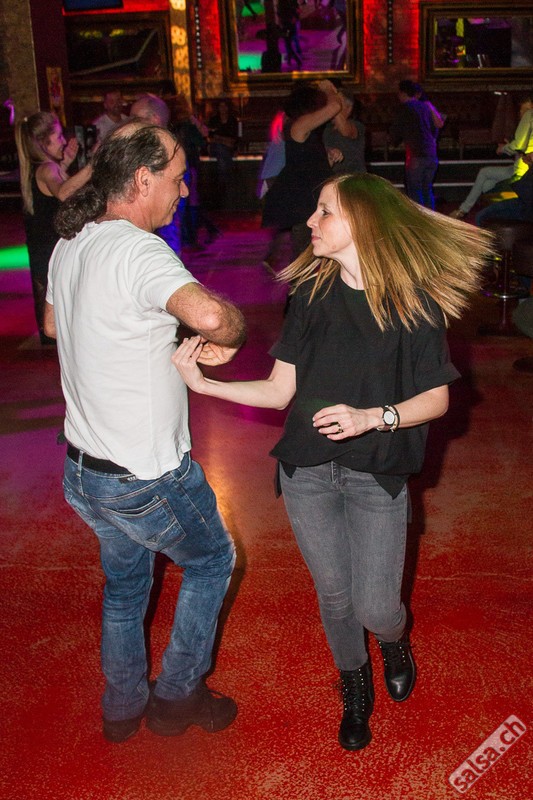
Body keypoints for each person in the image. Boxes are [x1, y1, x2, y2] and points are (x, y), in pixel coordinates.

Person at [172, 172, 492, 752]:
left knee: (378, 607)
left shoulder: (414, 302)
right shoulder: (311, 295)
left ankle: (393, 639)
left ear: (362, 222)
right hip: (307, 473)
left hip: (377, 473)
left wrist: (372, 417)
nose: (310, 222)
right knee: (336, 596)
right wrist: (205, 385)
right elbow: (279, 391)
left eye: (325, 211)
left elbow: (437, 398)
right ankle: (355, 684)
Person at [43, 120, 247, 744]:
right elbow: (213, 316)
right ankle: (177, 698)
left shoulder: (72, 240)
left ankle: (122, 706)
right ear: (141, 179)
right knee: (213, 561)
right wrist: (228, 333)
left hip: (85, 471)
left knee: (126, 587)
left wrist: (147, 333)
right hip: (145, 477)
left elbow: (53, 325)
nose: (183, 191)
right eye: (177, 178)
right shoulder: (140, 250)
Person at [14, 111, 93, 344]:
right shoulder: (47, 169)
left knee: (56, 309)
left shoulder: (44, 167)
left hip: (43, 247)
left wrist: (65, 163)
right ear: (43, 142)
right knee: (59, 314)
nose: (63, 141)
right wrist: (93, 165)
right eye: (58, 136)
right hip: (50, 249)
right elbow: (64, 192)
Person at [262, 80, 343, 261]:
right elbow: (335, 106)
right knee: (304, 258)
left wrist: (328, 156)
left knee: (310, 255)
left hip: (308, 201)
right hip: (303, 204)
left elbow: (309, 164)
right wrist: (328, 89)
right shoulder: (300, 124)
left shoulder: (304, 128)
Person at [450, 91, 533, 220]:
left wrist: (503, 148)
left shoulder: (529, 118)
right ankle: (479, 211)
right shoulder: (527, 121)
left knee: (485, 178)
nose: (523, 113)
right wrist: (510, 146)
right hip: (519, 168)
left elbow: (519, 146)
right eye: (522, 110)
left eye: (526, 109)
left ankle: (466, 210)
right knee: (486, 183)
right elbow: (520, 146)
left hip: (523, 173)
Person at [130, 93, 181, 255]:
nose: (130, 123)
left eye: (135, 118)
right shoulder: (146, 150)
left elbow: (167, 226)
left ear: (154, 120)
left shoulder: (167, 155)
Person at [389, 79, 439, 209]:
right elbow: (435, 127)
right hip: (431, 153)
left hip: (416, 154)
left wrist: (392, 140)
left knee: (414, 191)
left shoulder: (404, 108)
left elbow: (396, 131)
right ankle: (430, 218)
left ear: (402, 93)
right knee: (427, 189)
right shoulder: (425, 107)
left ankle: (418, 219)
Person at [323, 91, 367, 175]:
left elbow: (346, 132)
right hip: (334, 178)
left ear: (349, 109)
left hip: (354, 178)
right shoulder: (327, 129)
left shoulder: (357, 126)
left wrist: (330, 92)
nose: (332, 108)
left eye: (338, 105)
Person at [208, 99, 240, 208]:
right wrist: (224, 141)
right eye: (221, 106)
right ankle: (225, 183)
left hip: (227, 149)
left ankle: (223, 184)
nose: (223, 109)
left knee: (223, 151)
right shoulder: (214, 120)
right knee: (221, 149)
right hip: (218, 148)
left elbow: (233, 139)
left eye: (225, 106)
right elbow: (211, 137)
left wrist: (220, 139)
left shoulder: (232, 121)